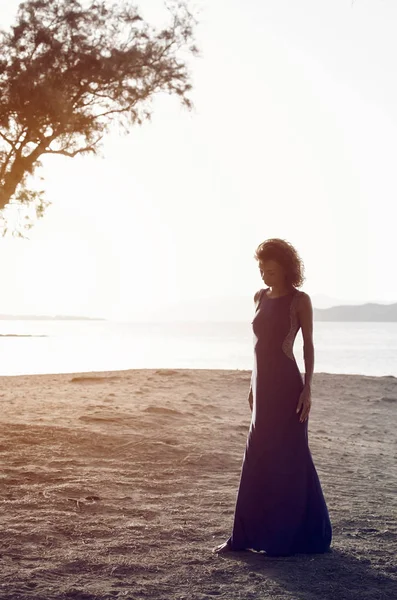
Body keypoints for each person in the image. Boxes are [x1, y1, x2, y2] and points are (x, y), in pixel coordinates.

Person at [213, 238, 332, 556]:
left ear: (285, 268)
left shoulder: (299, 300)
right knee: (256, 458)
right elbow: (257, 346)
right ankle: (242, 537)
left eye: (270, 268)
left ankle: (289, 537)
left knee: (290, 459)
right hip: (262, 389)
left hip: (287, 387)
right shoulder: (258, 296)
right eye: (260, 268)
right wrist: (252, 385)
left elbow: (307, 345)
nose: (264, 274)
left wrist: (308, 388)